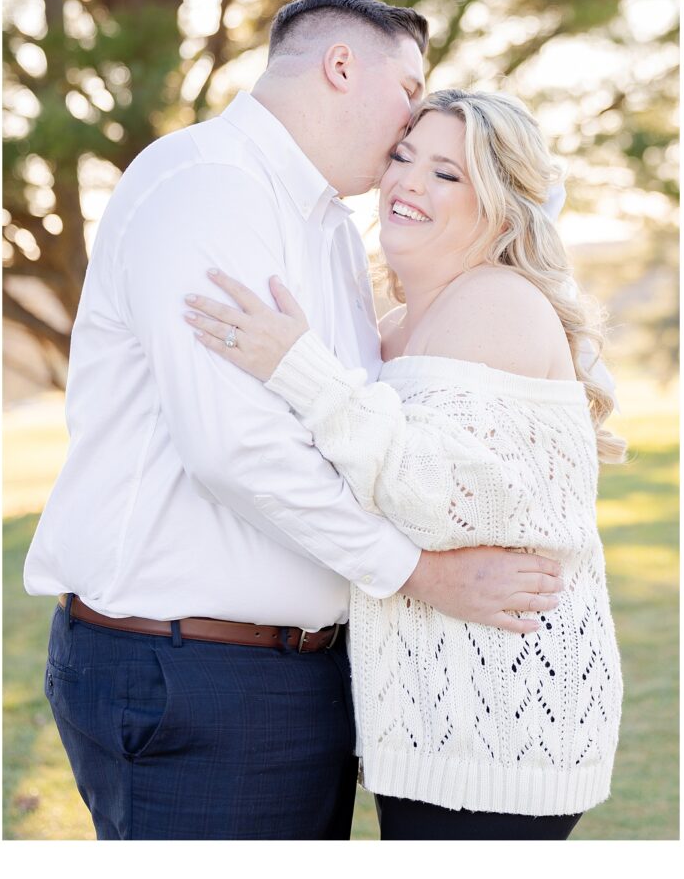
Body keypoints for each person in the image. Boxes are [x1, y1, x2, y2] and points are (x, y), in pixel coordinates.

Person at [23, 0, 564, 841]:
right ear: (343, 67)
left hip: (290, 678)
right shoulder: (209, 187)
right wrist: (418, 572)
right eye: (409, 88)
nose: (414, 115)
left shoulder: (330, 230)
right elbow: (234, 450)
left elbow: (357, 435)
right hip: (193, 673)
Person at [183, 88, 625, 840]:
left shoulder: (495, 301)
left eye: (448, 173)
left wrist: (298, 367)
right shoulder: (395, 326)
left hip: (505, 721)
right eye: (403, 157)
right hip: (435, 720)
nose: (409, 183)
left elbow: (437, 496)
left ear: (503, 206)